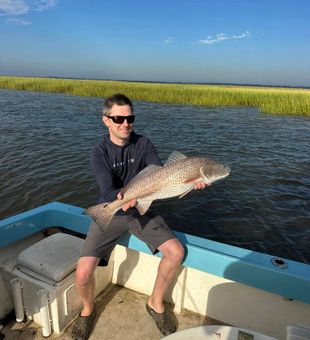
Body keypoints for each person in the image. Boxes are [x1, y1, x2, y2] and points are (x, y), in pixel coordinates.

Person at [71, 93, 207, 340]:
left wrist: (190, 182)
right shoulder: (98, 152)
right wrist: (122, 199)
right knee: (82, 273)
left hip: (142, 208)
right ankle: (88, 310)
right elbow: (107, 190)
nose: (125, 124)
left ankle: (155, 303)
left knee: (176, 252)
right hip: (110, 209)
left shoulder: (144, 144)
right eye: (118, 119)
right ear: (106, 120)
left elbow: (160, 174)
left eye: (130, 118)